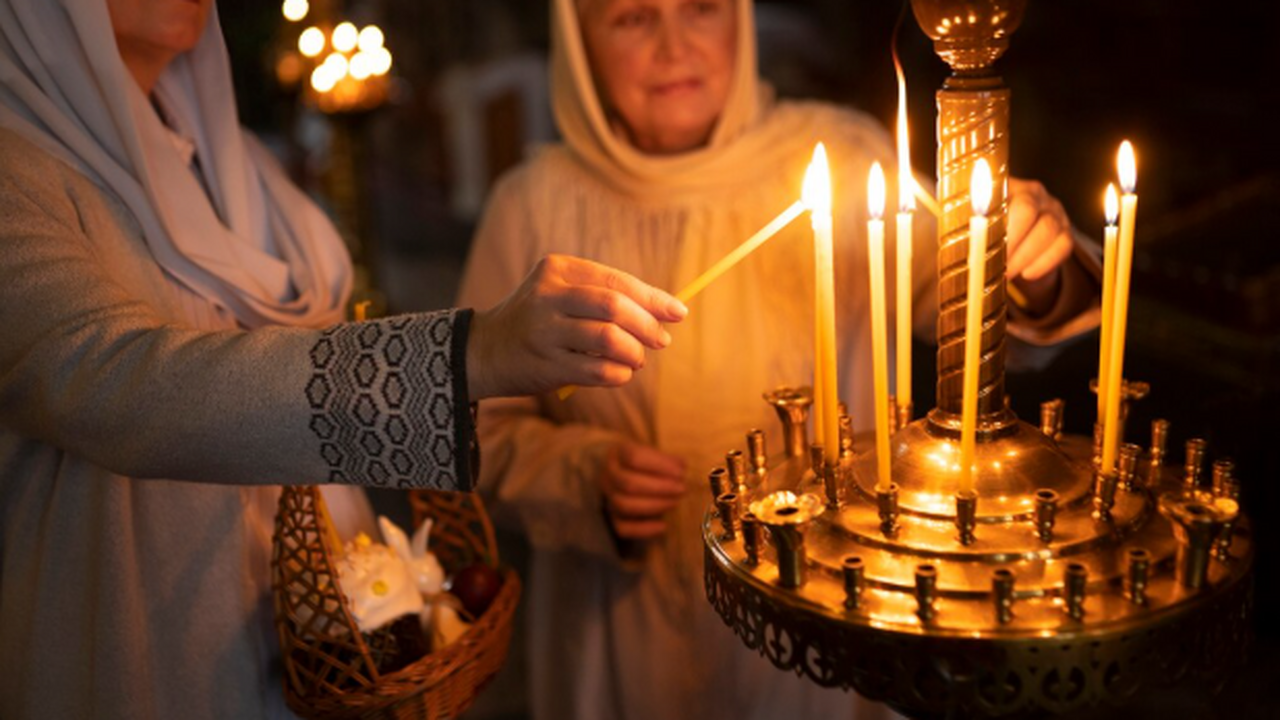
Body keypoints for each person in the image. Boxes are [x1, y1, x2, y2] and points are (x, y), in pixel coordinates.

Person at [0, 1, 687, 718]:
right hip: (162, 643)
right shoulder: (17, 176)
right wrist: (470, 352)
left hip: (328, 625)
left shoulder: (233, 156)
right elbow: (119, 383)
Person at [457, 0, 1100, 719]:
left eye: (701, 8)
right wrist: (579, 479)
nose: (675, 46)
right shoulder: (532, 207)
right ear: (576, 43)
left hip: (828, 604)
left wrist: (1026, 262)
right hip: (623, 624)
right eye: (632, 19)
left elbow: (968, 301)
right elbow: (477, 425)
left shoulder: (843, 154)